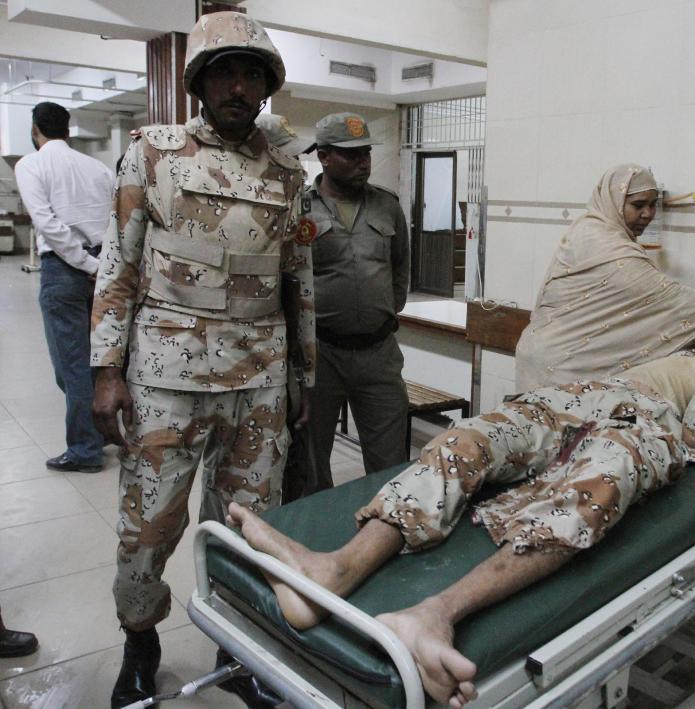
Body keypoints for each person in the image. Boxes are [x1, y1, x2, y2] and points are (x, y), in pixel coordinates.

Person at [229, 322, 695, 707]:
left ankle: (435, 613)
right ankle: (338, 569)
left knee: (596, 490)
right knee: (469, 439)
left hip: (649, 428)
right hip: (580, 399)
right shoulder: (684, 348)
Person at [88, 12, 315, 708]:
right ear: (199, 82)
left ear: (267, 88)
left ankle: (238, 647)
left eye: (252, 75)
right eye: (225, 72)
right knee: (149, 525)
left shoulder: (286, 170)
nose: (239, 87)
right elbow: (119, 265)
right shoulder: (153, 154)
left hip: (262, 378)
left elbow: (297, 278)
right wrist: (105, 371)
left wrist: (302, 373)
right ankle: (140, 643)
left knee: (250, 525)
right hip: (167, 378)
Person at [514, 164, 695, 391]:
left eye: (653, 205)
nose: (648, 214)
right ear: (614, 201)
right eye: (638, 205)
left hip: (553, 355)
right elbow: (662, 294)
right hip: (558, 363)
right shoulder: (597, 238)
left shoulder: (605, 235)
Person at [295, 112, 411, 498]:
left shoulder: (387, 206)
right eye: (351, 154)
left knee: (391, 462)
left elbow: (399, 267)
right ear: (324, 156)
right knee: (311, 461)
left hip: (378, 353)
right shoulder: (300, 208)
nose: (363, 162)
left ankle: (385, 538)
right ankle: (317, 544)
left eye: (365, 153)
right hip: (320, 354)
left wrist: (382, 314)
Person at [14, 101, 114, 473]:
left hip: (67, 271)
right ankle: (100, 431)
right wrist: (101, 265)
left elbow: (47, 224)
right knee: (94, 363)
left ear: (35, 129)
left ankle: (86, 450)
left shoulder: (31, 164)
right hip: (100, 269)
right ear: (68, 130)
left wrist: (87, 264)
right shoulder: (98, 168)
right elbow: (115, 219)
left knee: (72, 367)